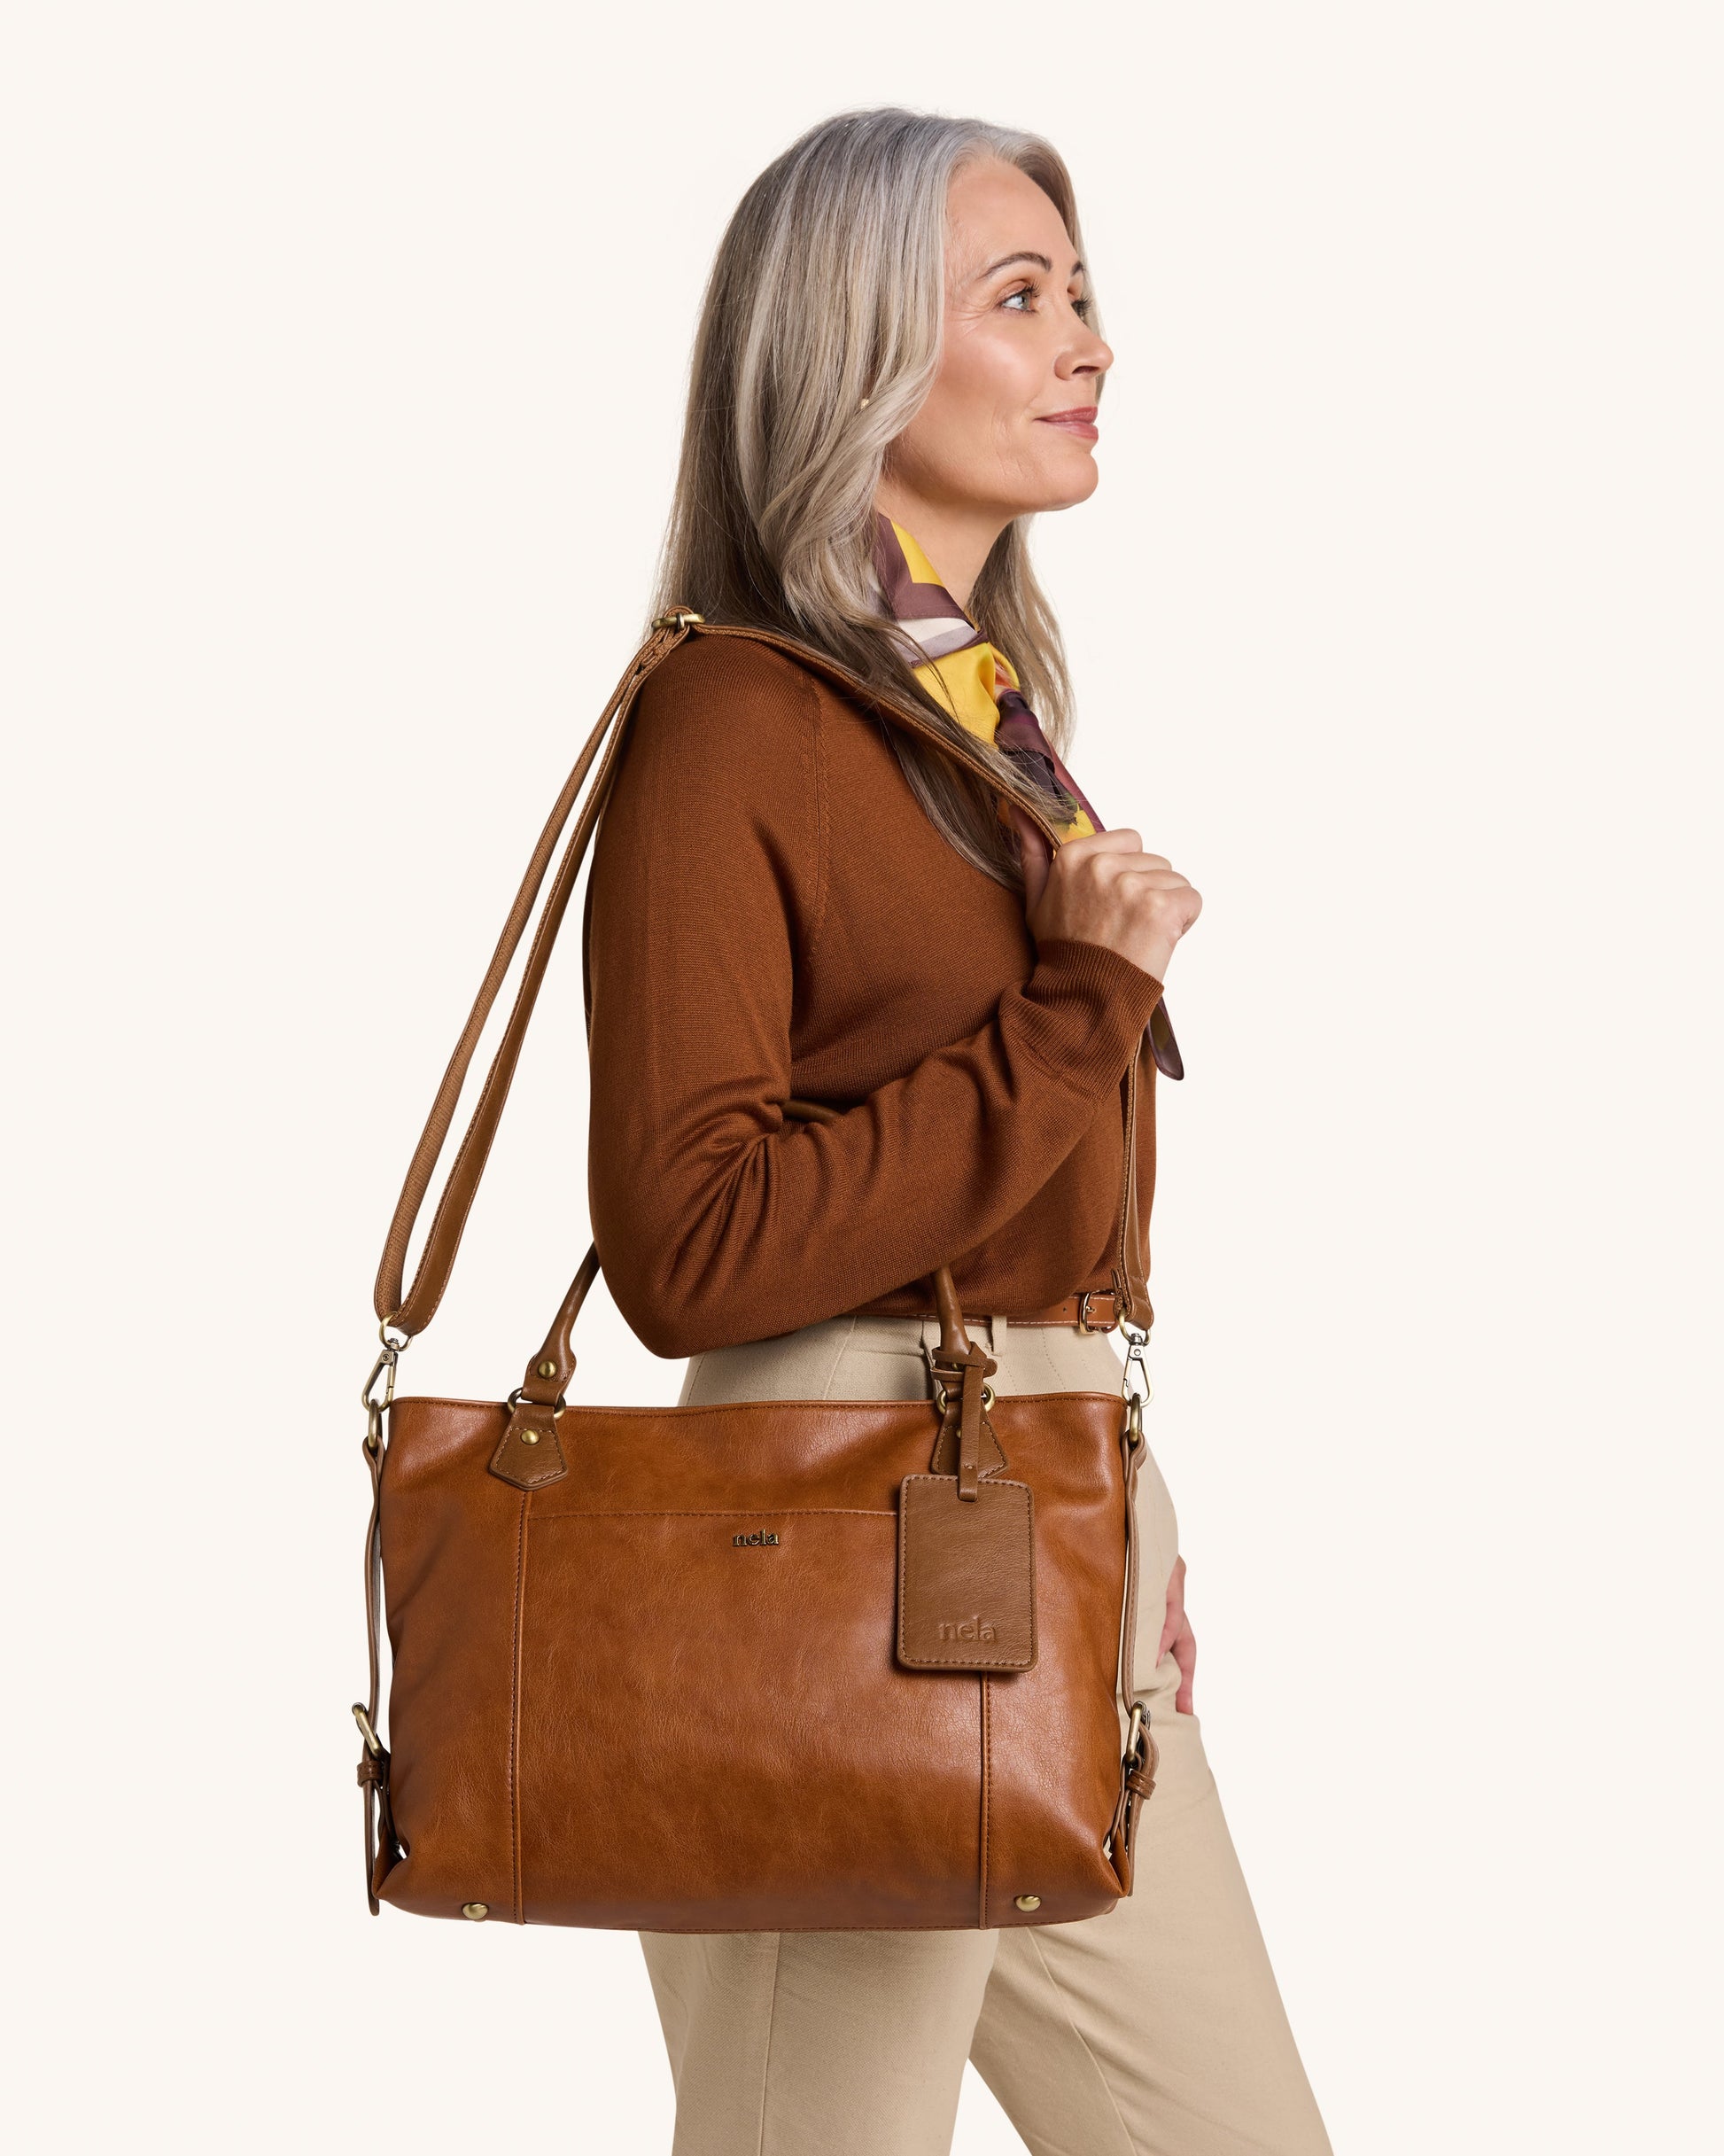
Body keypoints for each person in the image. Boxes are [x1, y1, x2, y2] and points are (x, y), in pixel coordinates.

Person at [584, 107, 1331, 2156]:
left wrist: (1110, 1491)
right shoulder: (734, 719)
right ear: (854, 351)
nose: (1089, 340)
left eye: (1079, 291)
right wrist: (1078, 1005)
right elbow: (687, 1245)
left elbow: (1019, 1207)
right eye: (1019, 297)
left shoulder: (976, 720)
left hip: (1036, 1520)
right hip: (835, 1544)